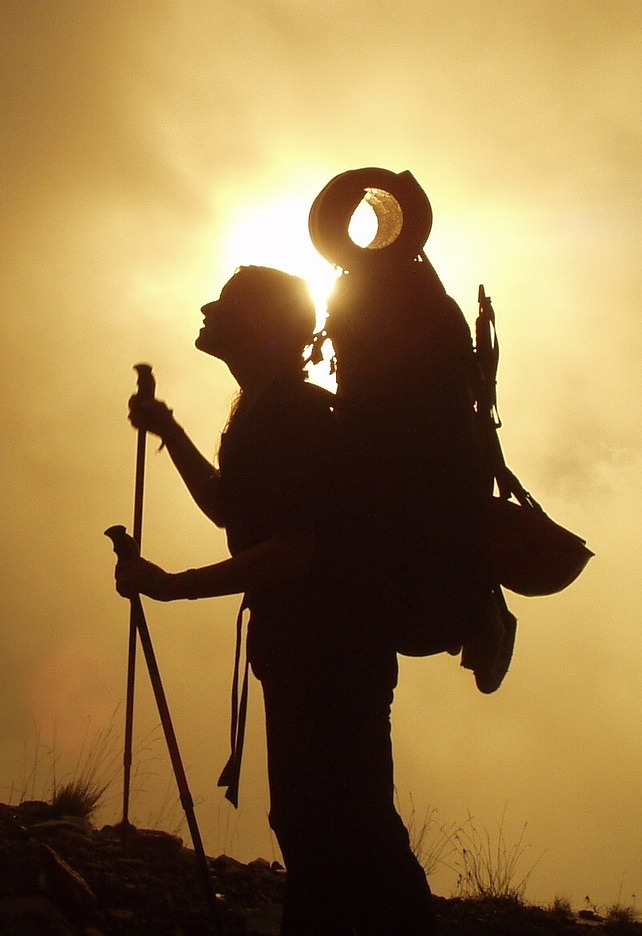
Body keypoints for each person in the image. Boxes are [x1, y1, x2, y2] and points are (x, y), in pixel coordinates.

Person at [114, 265, 437, 935]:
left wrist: (174, 587)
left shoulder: (293, 414)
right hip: (309, 650)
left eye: (227, 305)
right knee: (319, 819)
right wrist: (170, 430)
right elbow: (232, 509)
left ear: (259, 325)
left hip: (331, 651)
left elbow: (295, 550)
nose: (208, 311)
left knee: (343, 822)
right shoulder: (266, 411)